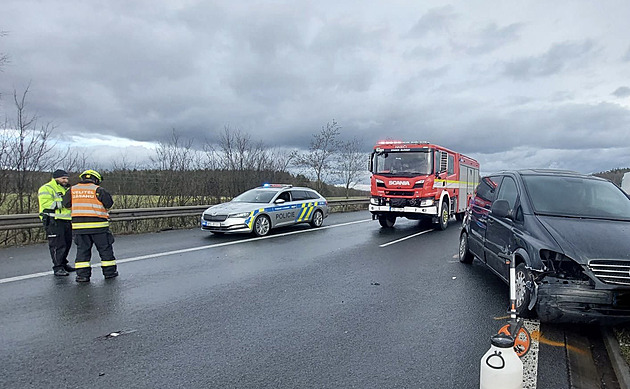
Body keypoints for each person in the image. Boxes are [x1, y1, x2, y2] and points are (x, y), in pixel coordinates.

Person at [62, 170, 118, 282]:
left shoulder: (72, 190)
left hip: (80, 228)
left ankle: (82, 276)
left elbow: (66, 205)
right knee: (105, 251)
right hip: (99, 227)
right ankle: (109, 273)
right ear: (96, 180)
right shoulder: (99, 190)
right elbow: (109, 204)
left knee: (82, 252)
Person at [38, 169, 75, 276]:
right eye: (63, 178)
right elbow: (47, 205)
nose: (65, 180)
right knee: (57, 245)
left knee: (67, 243)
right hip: (53, 220)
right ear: (55, 178)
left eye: (67, 178)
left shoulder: (67, 189)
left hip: (67, 220)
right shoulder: (47, 188)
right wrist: (64, 202)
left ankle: (63, 263)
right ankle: (57, 267)